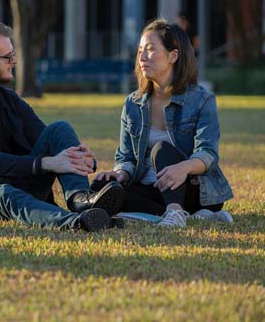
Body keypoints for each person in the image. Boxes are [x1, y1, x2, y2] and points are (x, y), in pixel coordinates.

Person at [0, 20, 126, 232]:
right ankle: (76, 222)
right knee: (4, 194)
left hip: (18, 179)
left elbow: (45, 138)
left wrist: (83, 159)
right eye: (7, 57)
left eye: (12, 55)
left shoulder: (8, 99)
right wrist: (48, 163)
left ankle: (81, 199)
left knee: (59, 129)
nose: (14, 61)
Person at [93, 18, 233, 227]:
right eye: (140, 50)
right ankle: (189, 215)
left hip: (193, 188)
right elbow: (126, 157)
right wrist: (119, 173)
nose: (142, 57)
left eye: (150, 49)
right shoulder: (133, 104)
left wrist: (183, 167)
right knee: (100, 188)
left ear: (173, 56)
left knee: (161, 150)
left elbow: (208, 153)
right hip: (153, 190)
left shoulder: (202, 100)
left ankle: (176, 213)